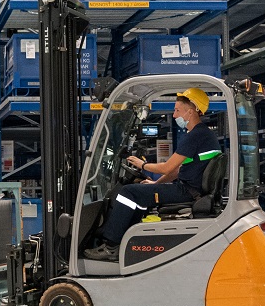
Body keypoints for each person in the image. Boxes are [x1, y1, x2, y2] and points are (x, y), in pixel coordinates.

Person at [83, 87, 222, 261]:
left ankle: (111, 246)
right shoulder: (204, 135)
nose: (174, 115)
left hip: (186, 191)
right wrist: (156, 184)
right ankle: (127, 239)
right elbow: (176, 170)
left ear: (191, 111)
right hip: (191, 189)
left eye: (177, 111)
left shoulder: (195, 136)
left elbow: (167, 168)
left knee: (127, 192)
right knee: (140, 196)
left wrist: (143, 165)